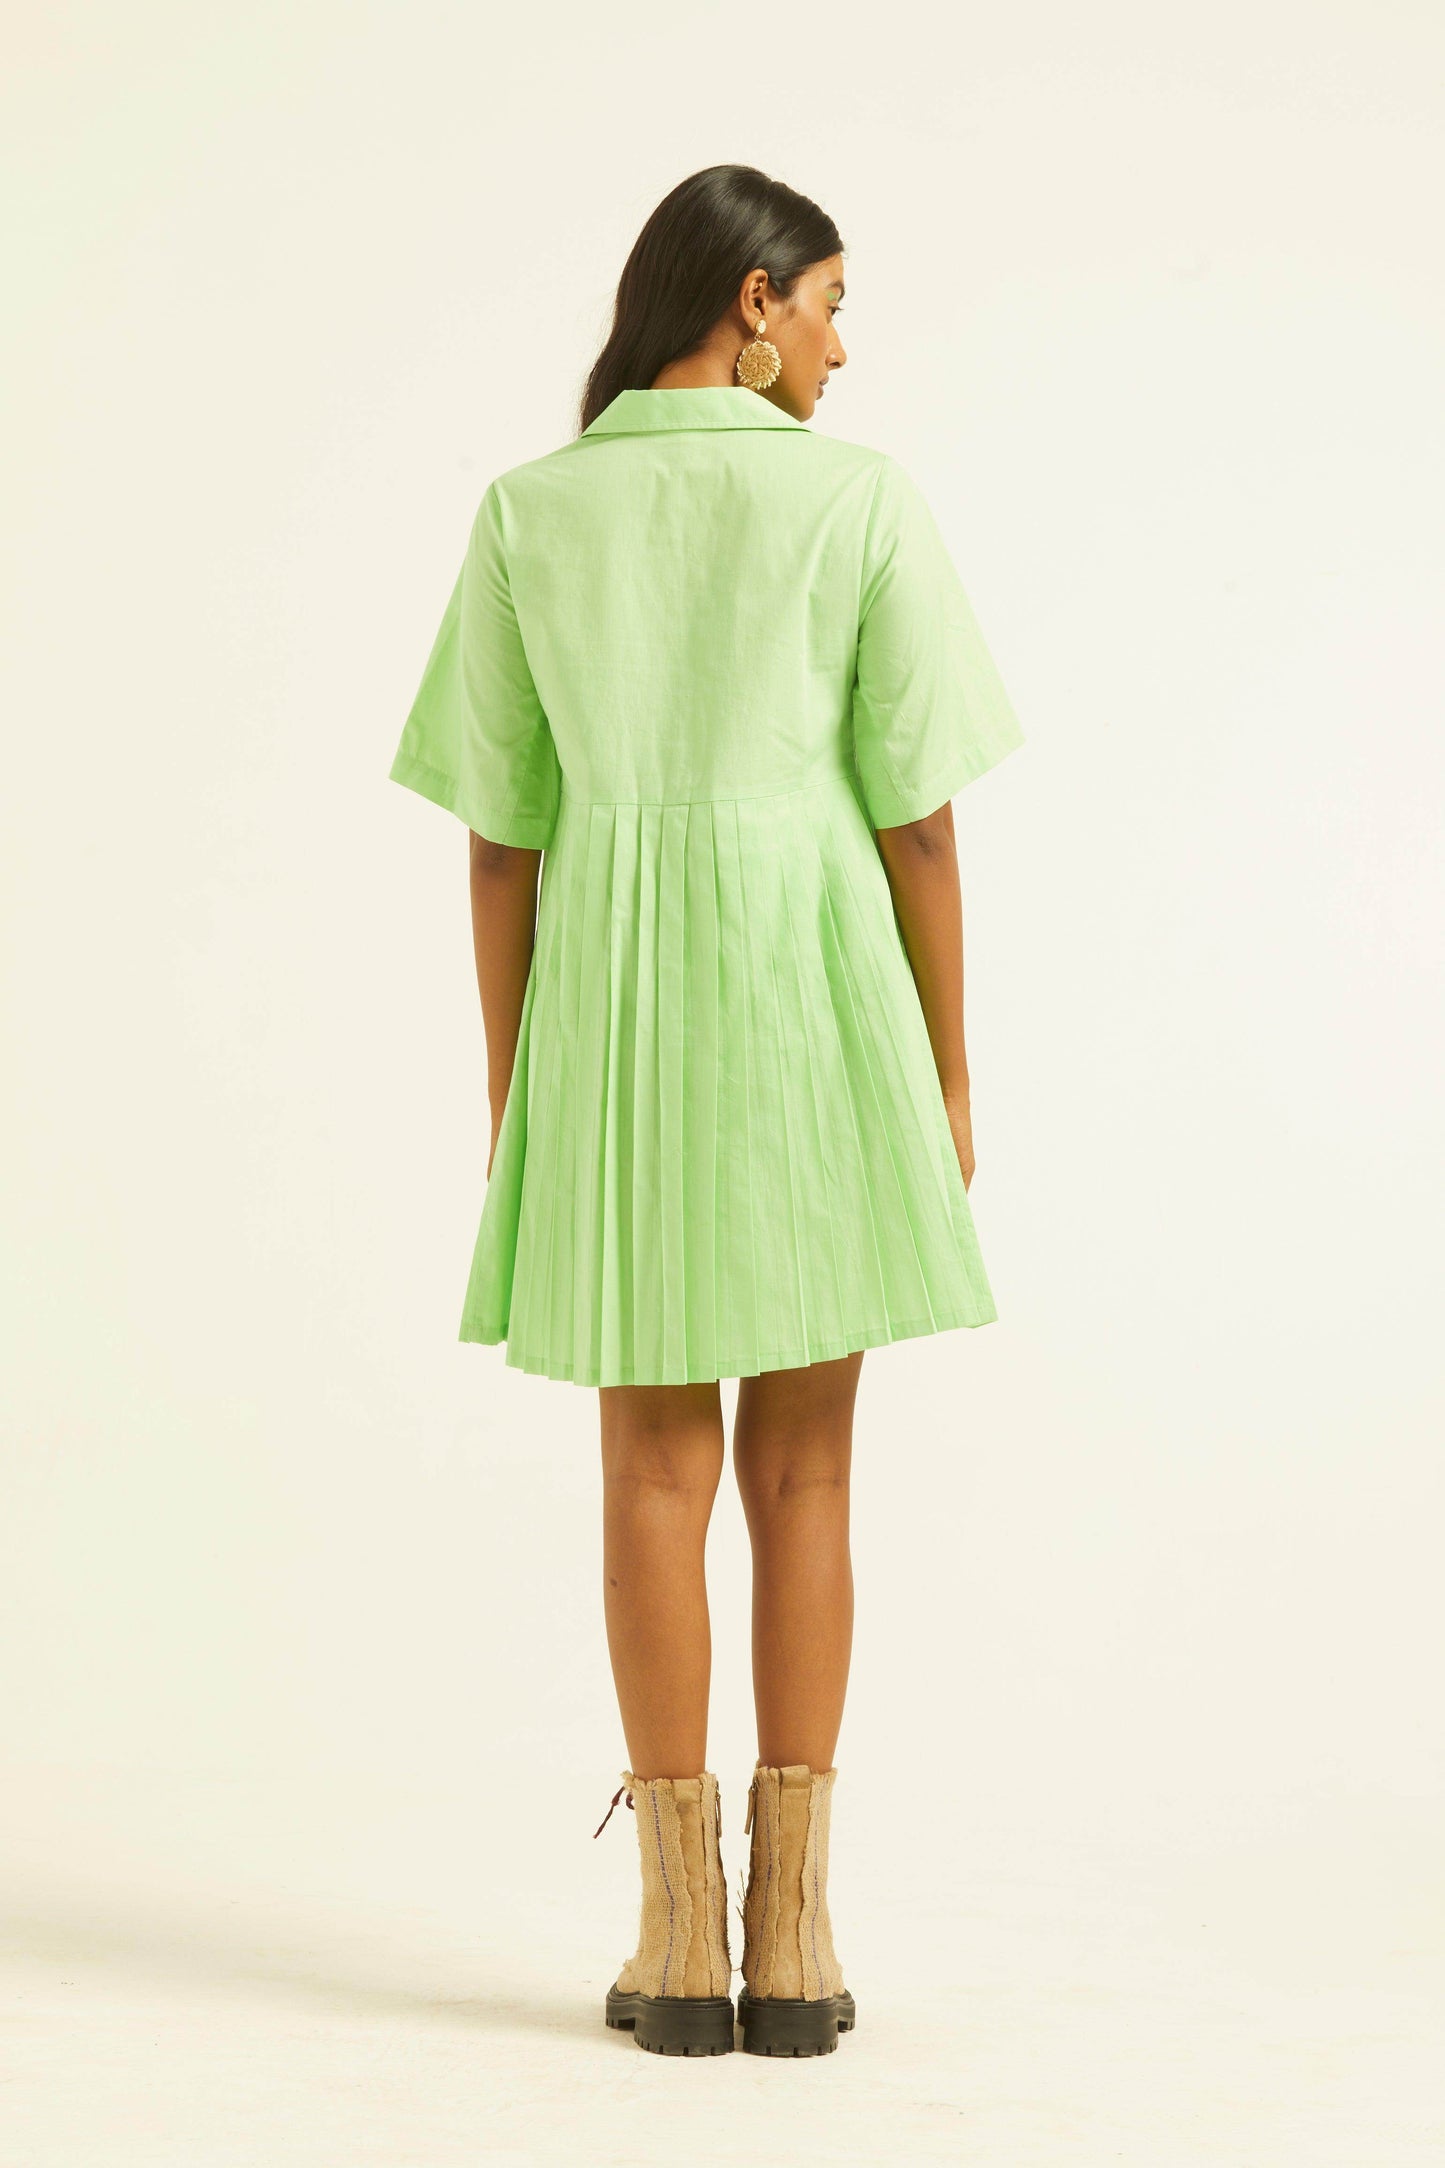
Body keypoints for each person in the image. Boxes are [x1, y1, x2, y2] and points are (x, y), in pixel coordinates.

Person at [387, 163, 1026, 2059]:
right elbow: (919, 821)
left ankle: (679, 1945)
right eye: (827, 302)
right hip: (817, 992)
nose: (839, 344)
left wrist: (516, 1088)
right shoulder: (855, 499)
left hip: (615, 1012)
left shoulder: (532, 508)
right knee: (807, 1471)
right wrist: (948, 1066)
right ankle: (796, 1947)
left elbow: (499, 844)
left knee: (649, 1472)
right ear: (750, 301)